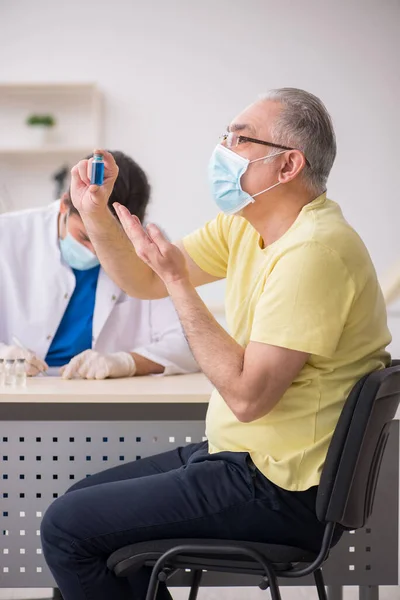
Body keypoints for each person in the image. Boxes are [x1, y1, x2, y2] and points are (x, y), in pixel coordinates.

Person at [41, 88, 391, 600]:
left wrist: (180, 282)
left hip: (281, 490)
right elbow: (145, 279)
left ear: (288, 165)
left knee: (68, 527)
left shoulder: (314, 252)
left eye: (240, 138)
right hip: (244, 458)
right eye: (225, 135)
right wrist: (94, 211)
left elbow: (248, 398)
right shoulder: (246, 227)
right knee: (79, 506)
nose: (223, 149)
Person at [0, 151, 198, 379]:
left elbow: (189, 342)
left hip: (104, 394)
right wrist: (3, 354)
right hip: (20, 390)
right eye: (86, 237)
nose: (96, 251)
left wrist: (126, 362)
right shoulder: (8, 235)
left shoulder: (149, 245)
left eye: (109, 240)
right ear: (65, 205)